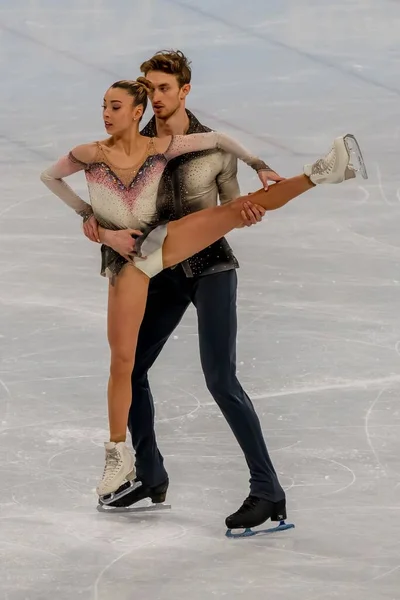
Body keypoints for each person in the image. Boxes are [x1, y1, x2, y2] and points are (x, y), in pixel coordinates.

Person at [40, 75, 367, 531]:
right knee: (130, 369)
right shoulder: (135, 145)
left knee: (220, 380)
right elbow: (82, 189)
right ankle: (147, 476)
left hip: (208, 267)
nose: (156, 97)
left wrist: (255, 185)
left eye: (163, 88)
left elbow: (235, 205)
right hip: (159, 269)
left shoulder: (199, 147)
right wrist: (94, 222)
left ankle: (267, 490)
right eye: (148, 89)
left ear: (184, 91)